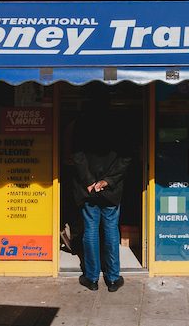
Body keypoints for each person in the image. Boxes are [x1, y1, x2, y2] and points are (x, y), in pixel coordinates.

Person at [70, 90, 131, 292]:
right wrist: (107, 181)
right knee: (111, 231)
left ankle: (92, 278)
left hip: (87, 189)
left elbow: (77, 155)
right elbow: (126, 157)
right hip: (111, 190)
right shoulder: (120, 123)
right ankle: (113, 279)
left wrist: (89, 181)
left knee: (90, 231)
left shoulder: (82, 122)